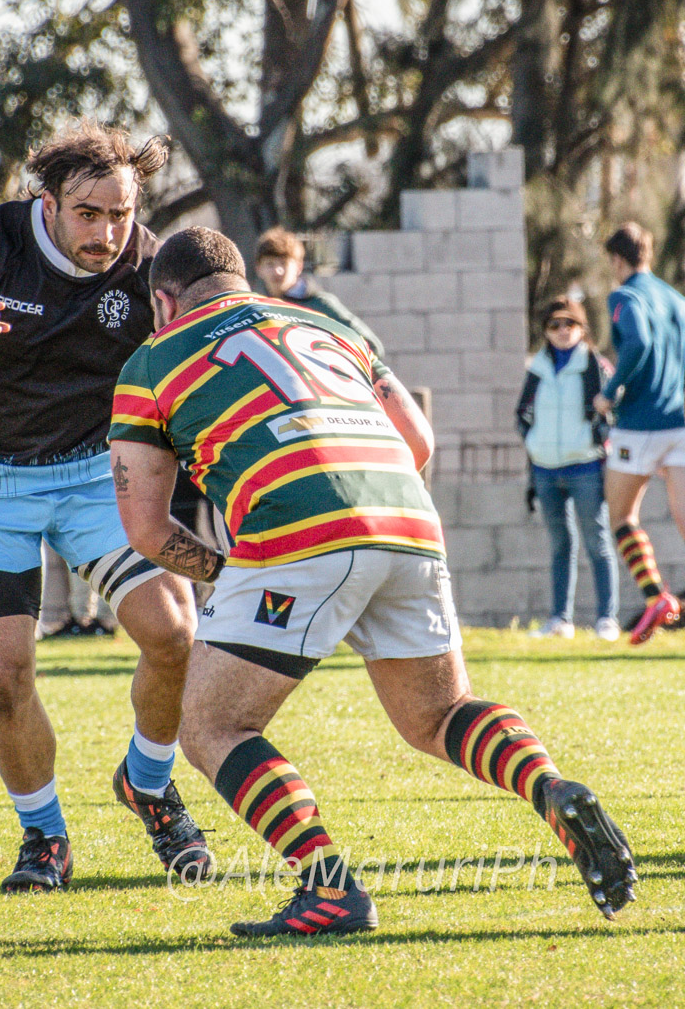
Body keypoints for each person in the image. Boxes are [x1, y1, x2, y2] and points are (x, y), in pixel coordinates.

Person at [108, 227, 636, 937]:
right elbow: (419, 439)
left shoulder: (151, 359)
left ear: (163, 302)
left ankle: (327, 887)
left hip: (296, 526)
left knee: (211, 724)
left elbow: (145, 527)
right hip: (407, 519)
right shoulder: (326, 323)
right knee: (441, 714)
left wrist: (224, 569)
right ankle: (551, 786)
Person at [0, 122, 211, 893]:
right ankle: (44, 835)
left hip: (92, 475)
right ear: (45, 201)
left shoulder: (149, 266)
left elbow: (205, 355)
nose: (107, 233)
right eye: (88, 213)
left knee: (175, 632)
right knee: (7, 676)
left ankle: (148, 783)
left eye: (120, 214)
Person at [593, 222, 685, 648]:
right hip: (680, 425)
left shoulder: (625, 297)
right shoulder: (679, 300)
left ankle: (656, 597)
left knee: (621, 517)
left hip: (639, 424)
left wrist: (609, 393)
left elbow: (637, 344)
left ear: (617, 260)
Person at [515, 296, 619, 640]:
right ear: (545, 330)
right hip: (545, 470)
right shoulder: (537, 367)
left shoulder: (595, 365)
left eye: (569, 324)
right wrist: (533, 445)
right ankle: (560, 619)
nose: (562, 331)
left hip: (586, 468)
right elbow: (523, 414)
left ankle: (607, 618)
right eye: (554, 325)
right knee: (560, 544)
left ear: (582, 328)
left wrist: (599, 439)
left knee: (597, 541)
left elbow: (614, 410)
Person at [253, 227, 385, 356]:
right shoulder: (257, 308)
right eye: (270, 264)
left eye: (283, 263)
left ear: (299, 267)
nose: (278, 271)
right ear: (258, 269)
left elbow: (372, 346)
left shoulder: (320, 304)